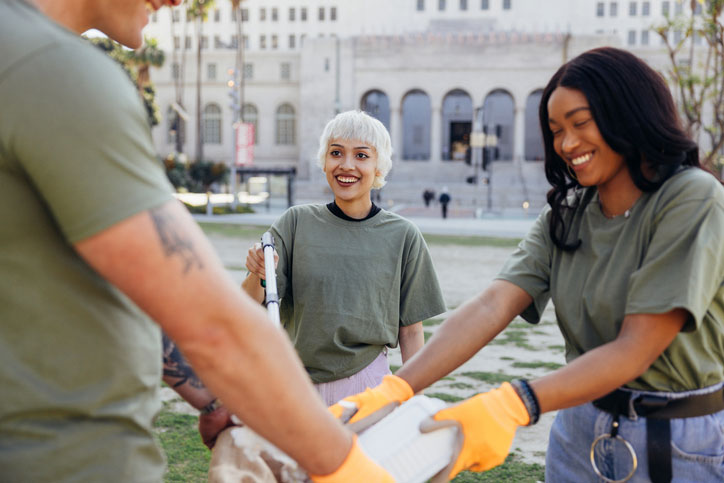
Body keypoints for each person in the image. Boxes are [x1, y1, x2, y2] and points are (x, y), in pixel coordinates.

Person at [0, 1, 391, 481]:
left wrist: (213, 399)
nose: (178, 2)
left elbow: (134, 288)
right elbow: (213, 326)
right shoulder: (56, 73)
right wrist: (350, 467)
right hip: (60, 460)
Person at [331, 47, 724, 482]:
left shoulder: (692, 198)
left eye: (580, 123)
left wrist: (513, 402)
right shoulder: (569, 210)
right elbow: (494, 304)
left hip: (676, 440)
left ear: (627, 113)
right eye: (556, 130)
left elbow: (638, 346)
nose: (566, 144)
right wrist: (398, 387)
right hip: (579, 431)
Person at [242, 110, 446, 406]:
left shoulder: (404, 236)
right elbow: (249, 302)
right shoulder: (295, 222)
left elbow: (412, 331)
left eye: (362, 156)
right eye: (336, 153)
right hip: (296, 383)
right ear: (324, 160)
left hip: (367, 385)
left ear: (379, 167)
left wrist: (417, 402)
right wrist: (257, 273)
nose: (346, 165)